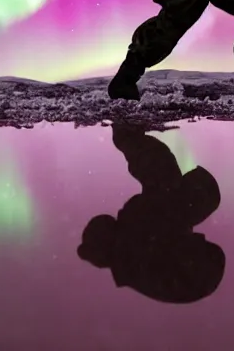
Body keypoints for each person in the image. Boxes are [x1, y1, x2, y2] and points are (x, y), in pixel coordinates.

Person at [77, 123, 225, 304]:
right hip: (194, 264)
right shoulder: (133, 249)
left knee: (165, 188)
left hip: (194, 261)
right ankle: (128, 134)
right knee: (163, 184)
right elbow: (160, 184)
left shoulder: (133, 252)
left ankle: (130, 136)